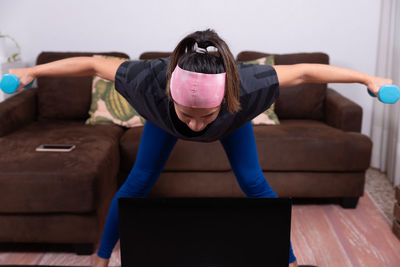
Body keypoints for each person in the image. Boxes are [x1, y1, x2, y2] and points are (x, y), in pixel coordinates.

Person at [9, 29, 391, 267]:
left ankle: (288, 260)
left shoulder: (249, 84)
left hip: (233, 124)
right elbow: (92, 64)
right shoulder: (149, 81)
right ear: (169, 95)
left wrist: (367, 79)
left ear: (225, 99)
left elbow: (308, 71)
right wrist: (32, 73)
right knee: (137, 184)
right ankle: (102, 259)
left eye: (203, 116)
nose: (194, 128)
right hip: (161, 124)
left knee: (254, 185)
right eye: (187, 115)